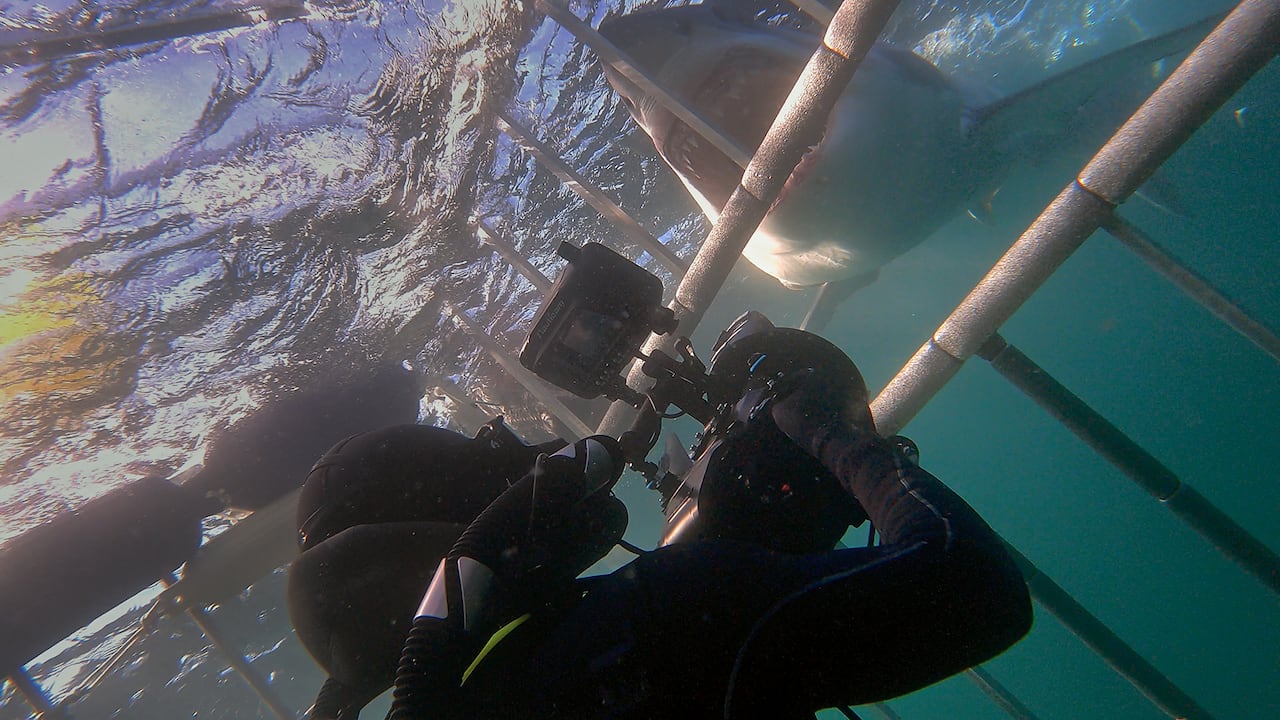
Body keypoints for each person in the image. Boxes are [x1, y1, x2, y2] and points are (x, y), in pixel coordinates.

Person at [288, 326, 1033, 720]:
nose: (539, 476)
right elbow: (973, 586)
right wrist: (824, 430)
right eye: (504, 479)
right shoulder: (650, 621)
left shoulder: (490, 695)